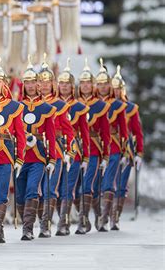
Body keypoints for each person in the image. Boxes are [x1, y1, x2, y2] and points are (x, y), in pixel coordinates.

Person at [0, 59, 25, 244]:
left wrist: (19, 158)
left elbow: (21, 135)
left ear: (4, 85)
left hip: (6, 153)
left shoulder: (14, 106)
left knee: (1, 192)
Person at [17, 56, 56, 241]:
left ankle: (28, 228)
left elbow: (50, 134)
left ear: (38, 85)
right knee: (19, 194)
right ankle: (30, 222)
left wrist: (52, 158)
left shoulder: (47, 108)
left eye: (33, 82)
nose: (30, 86)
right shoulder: (17, 107)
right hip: (20, 156)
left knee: (32, 190)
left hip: (38, 156)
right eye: (27, 83)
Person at [37, 55, 76, 238]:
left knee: (50, 188)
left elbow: (69, 131)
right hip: (35, 150)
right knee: (35, 189)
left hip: (56, 149)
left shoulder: (60, 105)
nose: (44, 85)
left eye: (48, 82)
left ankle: (46, 224)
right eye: (41, 82)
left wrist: (70, 151)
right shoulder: (31, 103)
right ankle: (38, 220)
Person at [76, 58, 111, 235]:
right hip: (76, 148)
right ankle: (96, 214)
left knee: (89, 185)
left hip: (93, 149)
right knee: (76, 188)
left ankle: (84, 220)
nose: (85, 86)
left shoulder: (100, 105)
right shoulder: (73, 104)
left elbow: (106, 133)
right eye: (82, 83)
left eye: (88, 83)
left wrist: (106, 155)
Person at [56, 58, 90, 236]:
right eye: (61, 83)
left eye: (67, 84)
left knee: (67, 188)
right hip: (54, 147)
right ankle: (62, 218)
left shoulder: (79, 107)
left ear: (72, 86)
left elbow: (84, 132)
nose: (63, 87)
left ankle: (64, 223)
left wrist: (85, 156)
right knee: (56, 188)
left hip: (73, 149)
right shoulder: (52, 104)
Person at [95, 59, 128, 232]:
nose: (102, 87)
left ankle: (104, 218)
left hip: (113, 148)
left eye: (105, 84)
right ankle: (91, 214)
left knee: (108, 183)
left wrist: (125, 152)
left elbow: (124, 131)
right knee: (93, 185)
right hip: (94, 146)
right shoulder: (89, 103)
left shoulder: (118, 105)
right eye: (99, 84)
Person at [110, 65, 144, 230]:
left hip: (126, 150)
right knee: (109, 183)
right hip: (107, 149)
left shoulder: (131, 108)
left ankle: (116, 216)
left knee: (121, 184)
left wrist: (139, 153)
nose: (115, 92)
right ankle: (107, 213)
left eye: (118, 89)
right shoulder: (105, 106)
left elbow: (137, 132)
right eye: (113, 89)